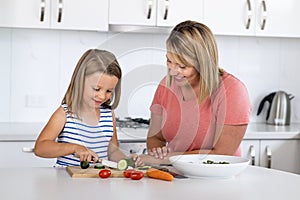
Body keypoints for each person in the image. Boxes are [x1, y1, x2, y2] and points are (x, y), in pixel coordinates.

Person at [146, 20, 252, 162]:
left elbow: (222, 154)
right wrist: (158, 154)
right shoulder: (166, 85)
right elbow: (155, 137)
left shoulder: (232, 91)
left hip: (216, 178)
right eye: (169, 61)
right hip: (174, 175)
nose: (172, 72)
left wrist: (170, 158)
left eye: (182, 66)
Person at [34, 49, 143, 167]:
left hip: (99, 182)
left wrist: (126, 160)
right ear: (80, 82)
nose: (102, 96)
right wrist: (75, 148)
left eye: (109, 91)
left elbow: (112, 151)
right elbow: (40, 148)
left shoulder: (108, 114)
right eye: (96, 89)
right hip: (67, 183)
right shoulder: (65, 113)